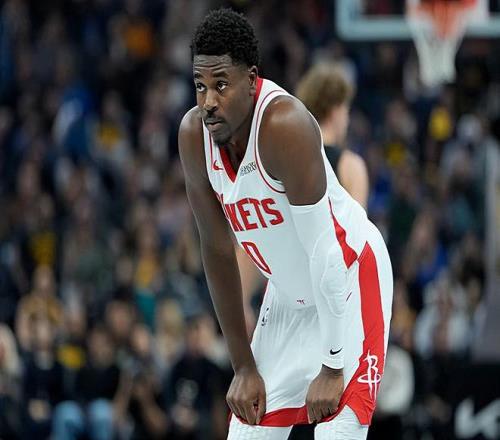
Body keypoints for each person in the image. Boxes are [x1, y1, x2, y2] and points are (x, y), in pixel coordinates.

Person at [179, 9, 393, 440]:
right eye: (200, 86)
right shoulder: (193, 135)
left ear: (251, 79)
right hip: (288, 297)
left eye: (221, 84)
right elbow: (216, 250)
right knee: (247, 432)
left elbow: (325, 252)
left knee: (336, 434)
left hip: (349, 278)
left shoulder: (284, 125)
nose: (208, 101)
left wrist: (332, 365)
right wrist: (243, 365)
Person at [296, 62, 369, 208]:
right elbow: (357, 222)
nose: (347, 119)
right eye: (346, 110)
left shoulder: (292, 162)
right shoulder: (350, 166)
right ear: (336, 110)